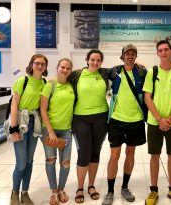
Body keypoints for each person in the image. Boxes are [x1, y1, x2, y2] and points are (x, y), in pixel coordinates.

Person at [143, 40, 171, 205]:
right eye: (160, 50)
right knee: (154, 156)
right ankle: (153, 191)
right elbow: (147, 97)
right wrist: (159, 119)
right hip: (155, 122)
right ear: (157, 53)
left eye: (166, 50)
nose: (163, 52)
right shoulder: (152, 73)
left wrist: (170, 118)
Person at [102, 44, 147, 205]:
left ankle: (125, 187)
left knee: (130, 154)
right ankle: (110, 191)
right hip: (116, 120)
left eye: (133, 53)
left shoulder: (142, 72)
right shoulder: (114, 71)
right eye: (127, 53)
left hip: (135, 120)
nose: (130, 56)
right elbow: (95, 69)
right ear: (122, 56)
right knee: (114, 156)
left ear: (136, 57)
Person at [69, 49, 109, 203]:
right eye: (92, 59)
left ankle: (91, 185)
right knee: (83, 153)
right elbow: (61, 79)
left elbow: (121, 68)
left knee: (95, 152)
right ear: (87, 60)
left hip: (101, 117)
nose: (95, 62)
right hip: (80, 119)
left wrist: (138, 64)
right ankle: (80, 187)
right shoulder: (77, 74)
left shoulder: (104, 74)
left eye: (98, 60)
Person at [9, 54, 48, 205]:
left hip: (34, 123)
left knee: (30, 162)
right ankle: (14, 192)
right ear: (31, 64)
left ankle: (25, 193)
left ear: (45, 67)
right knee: (21, 163)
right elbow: (14, 105)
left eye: (43, 64)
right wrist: (13, 129)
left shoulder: (44, 83)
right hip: (21, 123)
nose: (39, 66)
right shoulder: (22, 81)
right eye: (37, 63)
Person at [40, 58, 75, 205]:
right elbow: (43, 109)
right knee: (51, 161)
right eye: (63, 67)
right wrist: (51, 131)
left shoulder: (71, 86)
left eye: (68, 68)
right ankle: (54, 192)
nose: (65, 70)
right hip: (49, 130)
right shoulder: (50, 85)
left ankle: (61, 189)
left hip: (66, 131)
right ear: (57, 67)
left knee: (65, 163)